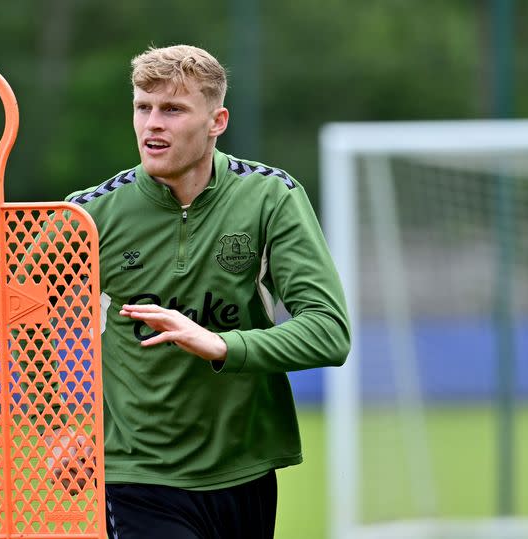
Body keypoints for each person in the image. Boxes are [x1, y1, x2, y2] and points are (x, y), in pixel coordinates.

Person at [65, 44, 350, 539]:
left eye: (172, 109)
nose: (153, 123)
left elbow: (329, 332)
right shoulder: (90, 214)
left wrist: (222, 345)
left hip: (245, 468)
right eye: (143, 107)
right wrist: (58, 426)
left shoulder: (271, 198)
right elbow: (17, 314)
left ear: (217, 121)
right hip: (137, 473)